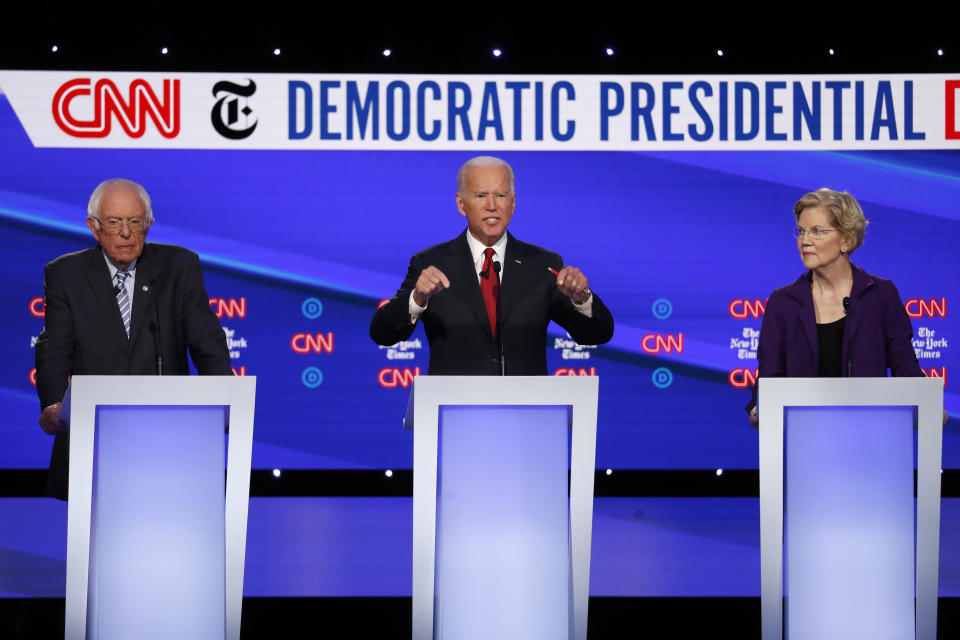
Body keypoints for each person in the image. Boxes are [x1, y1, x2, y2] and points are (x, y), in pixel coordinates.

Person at [35, 178, 232, 500]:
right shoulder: (65, 274)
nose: (126, 233)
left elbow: (207, 340)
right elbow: (54, 345)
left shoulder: (178, 267)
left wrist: (224, 400)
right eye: (114, 223)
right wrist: (54, 403)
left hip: (170, 431)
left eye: (134, 222)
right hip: (94, 432)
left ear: (149, 225)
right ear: (94, 227)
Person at [370, 156, 614, 374]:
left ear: (513, 202)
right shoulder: (430, 263)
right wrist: (418, 298)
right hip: (454, 413)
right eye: (480, 195)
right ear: (461, 203)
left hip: (528, 415)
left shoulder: (543, 265)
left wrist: (582, 298)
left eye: (500, 195)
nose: (492, 206)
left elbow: (596, 334)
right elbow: (383, 333)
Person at [747, 188, 923, 428]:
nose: (804, 240)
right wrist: (760, 407)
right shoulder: (782, 302)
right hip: (803, 440)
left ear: (846, 241)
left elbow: (906, 369)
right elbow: (769, 377)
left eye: (817, 231)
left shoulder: (881, 295)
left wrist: (927, 404)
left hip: (871, 437)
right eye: (801, 231)